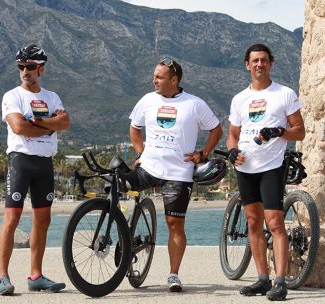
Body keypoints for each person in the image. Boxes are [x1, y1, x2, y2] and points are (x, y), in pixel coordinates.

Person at [123, 57, 223, 292]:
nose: (154, 80)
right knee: (116, 189)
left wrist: (203, 153)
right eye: (154, 76)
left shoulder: (195, 104)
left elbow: (216, 130)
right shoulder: (147, 100)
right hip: (148, 167)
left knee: (175, 224)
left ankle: (173, 274)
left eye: (159, 77)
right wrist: (140, 151)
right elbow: (134, 127)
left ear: (174, 80)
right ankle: (123, 234)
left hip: (178, 173)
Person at [226, 43, 305, 301]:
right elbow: (232, 135)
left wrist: (279, 131)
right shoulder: (239, 99)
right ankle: (262, 279)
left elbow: (300, 131)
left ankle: (280, 281)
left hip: (271, 167)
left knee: (275, 223)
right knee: (252, 223)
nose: (259, 64)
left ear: (271, 63)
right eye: (254, 61)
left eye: (263, 60)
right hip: (245, 167)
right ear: (247, 65)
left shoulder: (284, 94)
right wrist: (231, 151)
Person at [0, 44, 70, 296]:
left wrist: (38, 122)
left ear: (41, 68)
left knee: (42, 221)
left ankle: (35, 276)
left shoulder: (52, 96)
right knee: (11, 220)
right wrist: (50, 127)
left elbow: (66, 122)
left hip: (44, 164)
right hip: (20, 161)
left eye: (29, 67)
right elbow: (18, 127)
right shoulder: (12, 95)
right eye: (20, 67)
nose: (24, 71)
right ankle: (3, 277)